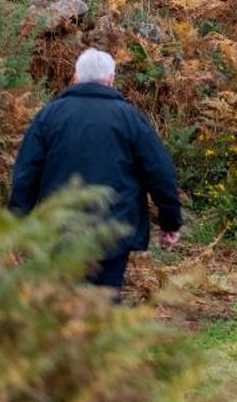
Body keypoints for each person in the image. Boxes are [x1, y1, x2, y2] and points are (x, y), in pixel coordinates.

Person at [10, 47, 182, 294]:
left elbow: (26, 175)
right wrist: (170, 221)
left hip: (59, 229)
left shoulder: (48, 117)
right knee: (104, 300)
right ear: (111, 79)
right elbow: (160, 172)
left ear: (76, 77)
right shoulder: (129, 119)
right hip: (113, 231)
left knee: (62, 303)